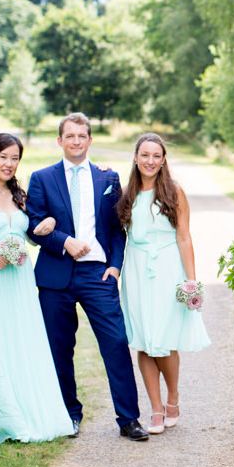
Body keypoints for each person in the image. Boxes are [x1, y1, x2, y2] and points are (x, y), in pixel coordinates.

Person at [25, 113, 148, 442]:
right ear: (60, 141)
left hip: (98, 274)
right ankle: (69, 413)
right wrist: (63, 240)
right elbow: (33, 227)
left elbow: (119, 227)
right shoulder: (41, 178)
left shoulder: (108, 178)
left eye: (82, 136)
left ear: (90, 140)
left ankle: (128, 418)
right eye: (70, 136)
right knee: (59, 348)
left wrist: (116, 265)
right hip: (55, 276)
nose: (76, 141)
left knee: (116, 343)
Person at [0, 133, 74, 442]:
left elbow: (26, 236)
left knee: (22, 343)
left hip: (19, 281)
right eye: (3, 157)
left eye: (15, 158)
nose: (9, 163)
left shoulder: (20, 195)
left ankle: (33, 409)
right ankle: (4, 419)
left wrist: (40, 231)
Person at [117, 133, 210, 434]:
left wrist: (191, 280)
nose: (150, 161)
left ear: (163, 159)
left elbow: (184, 236)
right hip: (137, 269)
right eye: (144, 155)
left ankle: (173, 396)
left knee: (165, 338)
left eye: (156, 155)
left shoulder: (173, 191)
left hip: (168, 268)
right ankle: (155, 408)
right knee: (144, 340)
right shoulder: (127, 193)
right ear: (135, 157)